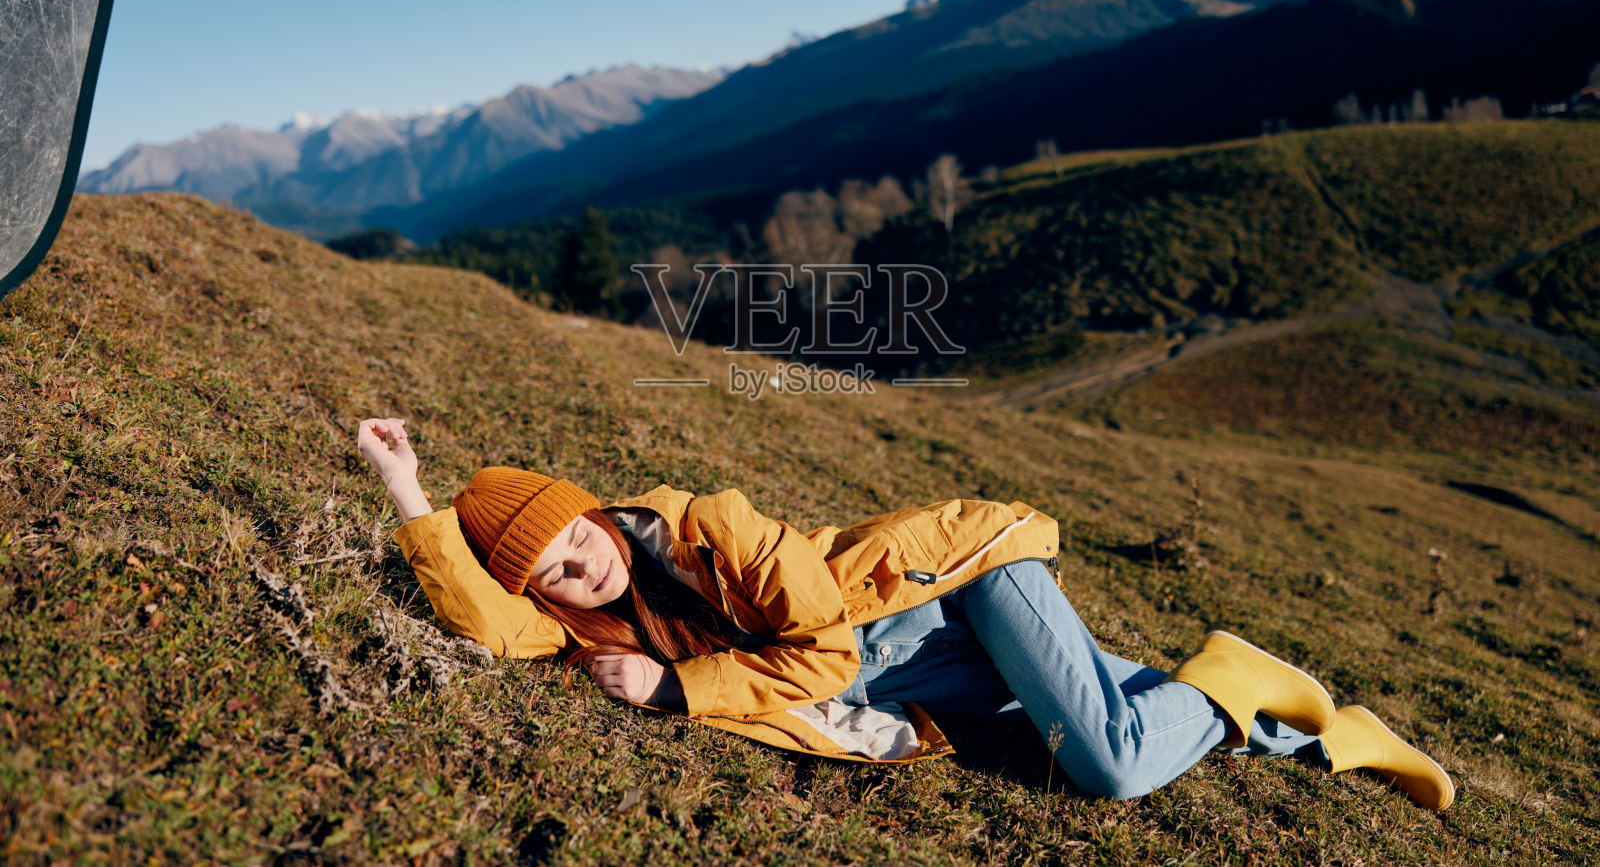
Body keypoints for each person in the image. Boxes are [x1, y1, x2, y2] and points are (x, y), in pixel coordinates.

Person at [356, 416, 1453, 809]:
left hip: (954, 592)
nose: (576, 562)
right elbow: (485, 629)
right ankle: (1329, 734)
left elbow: (824, 652)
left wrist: (683, 686)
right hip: (925, 676)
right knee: (1114, 709)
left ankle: (1227, 678)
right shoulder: (578, 625)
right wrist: (411, 492)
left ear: (592, 506)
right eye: (546, 567)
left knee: (1110, 762)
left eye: (572, 531)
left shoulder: (713, 526)